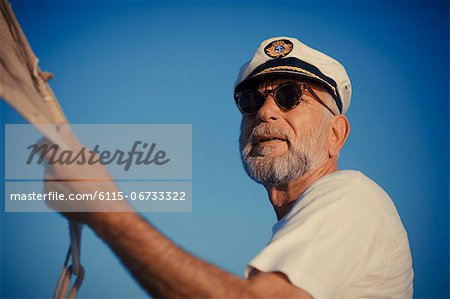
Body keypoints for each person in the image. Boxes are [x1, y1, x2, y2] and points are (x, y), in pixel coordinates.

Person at [44, 36, 414, 298]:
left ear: (336, 134)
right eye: (251, 101)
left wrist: (109, 213)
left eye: (289, 96)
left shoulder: (352, 196)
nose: (265, 112)